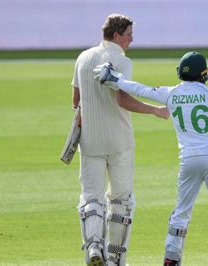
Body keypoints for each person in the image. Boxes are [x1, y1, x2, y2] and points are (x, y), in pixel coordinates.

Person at [94, 51, 208, 266]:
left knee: (182, 211)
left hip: (188, 158)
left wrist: (116, 80)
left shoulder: (171, 93)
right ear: (203, 74)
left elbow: (141, 89)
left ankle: (171, 257)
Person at [71, 14, 169, 266]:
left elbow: (75, 101)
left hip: (90, 140)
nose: (132, 40)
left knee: (91, 196)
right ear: (116, 36)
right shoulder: (121, 61)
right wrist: (155, 110)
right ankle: (115, 258)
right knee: (120, 199)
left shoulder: (83, 57)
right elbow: (123, 100)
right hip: (119, 141)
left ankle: (93, 246)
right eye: (128, 35)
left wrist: (85, 115)